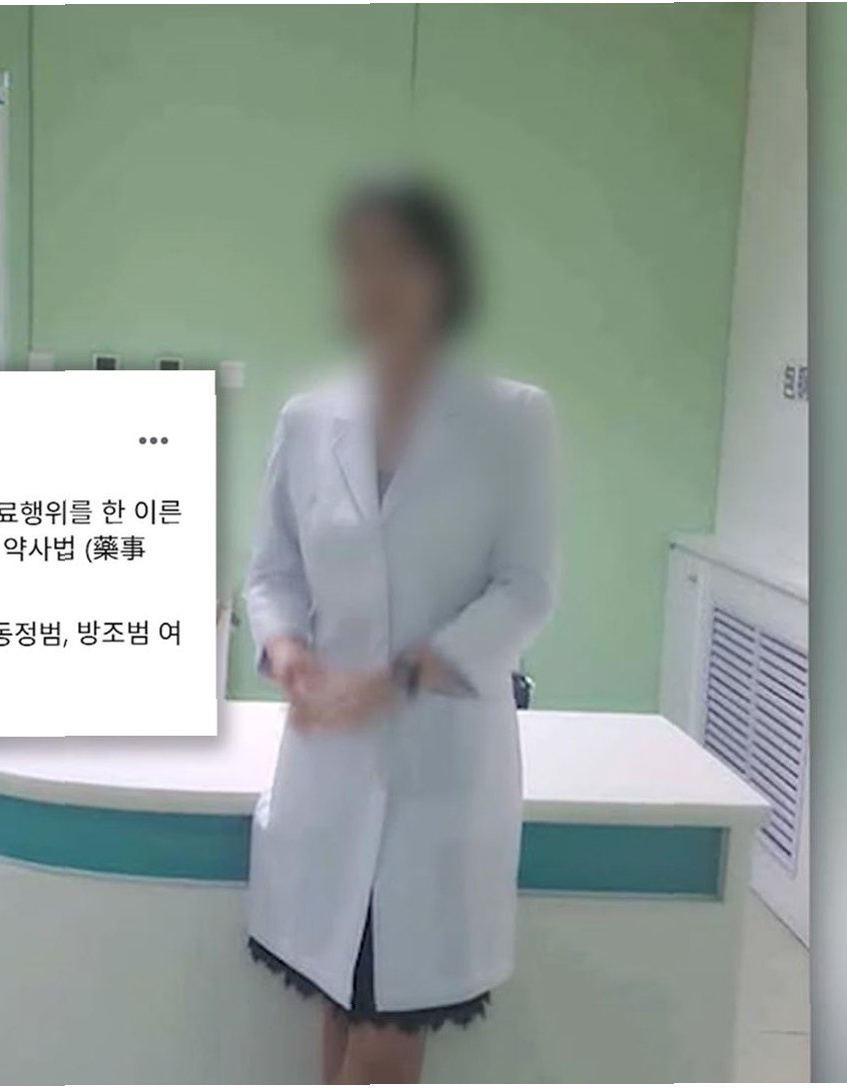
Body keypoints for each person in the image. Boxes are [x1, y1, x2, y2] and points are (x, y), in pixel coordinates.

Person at [242, 176, 560, 1084]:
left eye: (399, 260)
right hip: (328, 767)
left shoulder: (511, 419)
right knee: (340, 1006)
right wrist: (288, 651)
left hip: (439, 771)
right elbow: (271, 572)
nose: (375, 281)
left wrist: (397, 679)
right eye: (359, 260)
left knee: (386, 1036)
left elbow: (526, 588)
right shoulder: (309, 420)